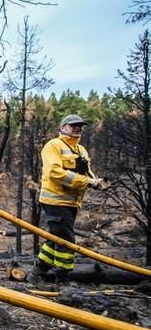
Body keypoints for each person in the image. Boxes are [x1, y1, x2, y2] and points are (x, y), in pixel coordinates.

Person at [28, 114, 107, 285]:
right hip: (55, 201)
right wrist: (88, 182)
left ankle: (36, 273)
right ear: (63, 127)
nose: (77, 128)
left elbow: (86, 172)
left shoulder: (81, 150)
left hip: (71, 202)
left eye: (80, 126)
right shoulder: (53, 146)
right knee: (66, 241)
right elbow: (55, 173)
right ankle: (62, 279)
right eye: (73, 125)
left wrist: (97, 181)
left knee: (55, 238)